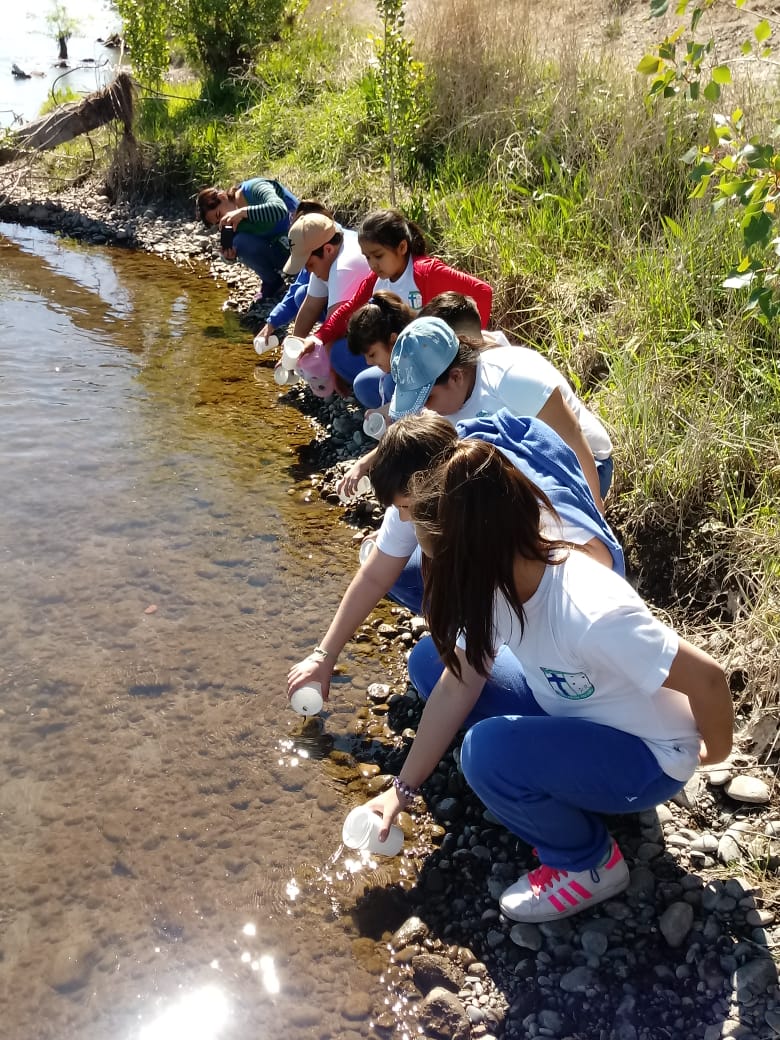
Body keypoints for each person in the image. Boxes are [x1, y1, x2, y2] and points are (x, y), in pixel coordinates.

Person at [361, 440, 733, 924]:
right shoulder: (501, 577)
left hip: (645, 755)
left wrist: (713, 754)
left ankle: (589, 862)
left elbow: (707, 677)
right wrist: (402, 789)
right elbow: (460, 683)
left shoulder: (589, 612)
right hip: (574, 705)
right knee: (436, 664)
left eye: (443, 563)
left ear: (477, 552)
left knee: (485, 751)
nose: (438, 578)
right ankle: (552, 782)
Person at [286, 410, 624, 714]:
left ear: (438, 491)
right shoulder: (432, 479)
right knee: (402, 573)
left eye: (406, 507)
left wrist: (494, 624)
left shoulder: (517, 506)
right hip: (507, 593)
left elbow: (594, 583)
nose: (403, 519)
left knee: (429, 665)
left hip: (578, 649)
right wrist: (324, 655)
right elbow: (375, 575)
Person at [387, 312, 612, 511]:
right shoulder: (446, 403)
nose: (426, 409)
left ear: (456, 376)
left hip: (582, 466)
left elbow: (572, 435)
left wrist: (594, 512)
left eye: (428, 398)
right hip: (520, 475)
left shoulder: (511, 379)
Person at [301, 209, 493, 407]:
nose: (373, 265)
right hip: (402, 360)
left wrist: (469, 345)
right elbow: (349, 309)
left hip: (433, 363)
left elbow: (483, 292)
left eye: (378, 256)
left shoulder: (425, 273)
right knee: (358, 378)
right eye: (367, 258)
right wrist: (318, 338)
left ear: (402, 247)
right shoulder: (376, 280)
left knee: (386, 387)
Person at [282, 213, 370, 392]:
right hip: (359, 312)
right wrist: (290, 356)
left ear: (328, 249)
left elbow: (333, 328)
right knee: (302, 295)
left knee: (337, 353)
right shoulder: (330, 246)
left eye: (310, 265)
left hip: (384, 331)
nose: (308, 271)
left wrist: (333, 372)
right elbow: (310, 306)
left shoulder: (344, 267)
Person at [196, 178, 299, 301]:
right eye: (218, 222)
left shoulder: (253, 188)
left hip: (307, 246)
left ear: (222, 197)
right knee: (239, 242)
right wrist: (229, 257)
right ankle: (273, 283)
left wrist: (243, 212)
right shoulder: (234, 223)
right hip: (286, 255)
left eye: (219, 215)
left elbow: (279, 209)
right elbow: (239, 250)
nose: (223, 220)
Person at [254, 200, 334, 347]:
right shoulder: (318, 248)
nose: (308, 269)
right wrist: (273, 322)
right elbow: (298, 288)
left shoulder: (326, 251)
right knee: (302, 293)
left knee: (303, 294)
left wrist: (318, 343)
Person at [343, 291, 417, 414]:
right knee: (363, 384)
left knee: (390, 384)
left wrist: (388, 412)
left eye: (372, 354)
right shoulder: (404, 352)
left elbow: (423, 403)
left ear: (393, 340)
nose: (368, 362)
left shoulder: (421, 360)